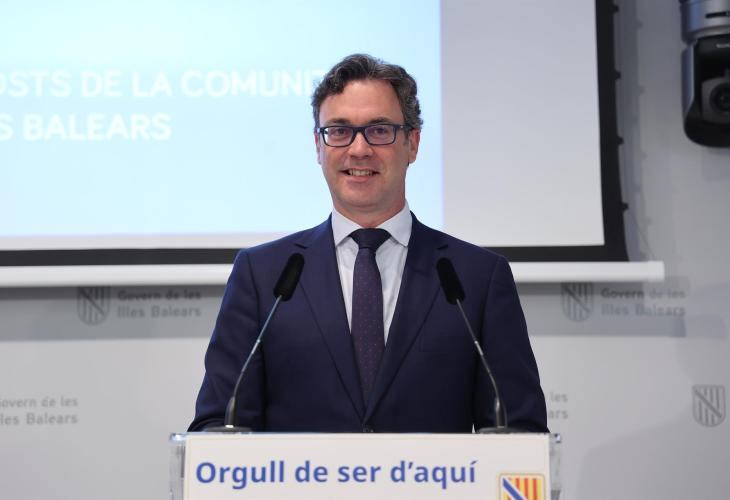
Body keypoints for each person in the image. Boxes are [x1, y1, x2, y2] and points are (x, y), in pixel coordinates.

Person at [189, 54, 547, 433]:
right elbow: (219, 424)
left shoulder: (476, 277)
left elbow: (519, 432)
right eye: (339, 131)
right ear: (318, 147)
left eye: (379, 130)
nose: (358, 149)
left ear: (412, 143)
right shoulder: (263, 276)